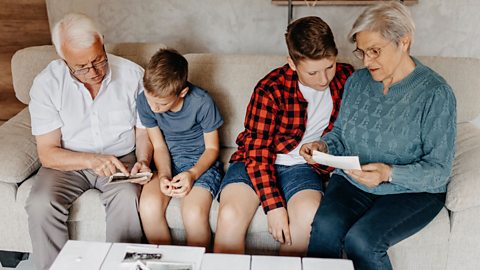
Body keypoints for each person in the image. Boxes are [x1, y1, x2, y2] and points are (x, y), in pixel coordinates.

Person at [301, 2, 456, 270]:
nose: (367, 61)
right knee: (325, 228)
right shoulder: (357, 82)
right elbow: (340, 134)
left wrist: (388, 173)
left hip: (411, 191)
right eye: (362, 52)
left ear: (404, 42)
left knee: (361, 241)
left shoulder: (435, 93)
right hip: (353, 182)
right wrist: (323, 145)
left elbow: (439, 171)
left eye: (375, 51)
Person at [214, 16, 354, 256]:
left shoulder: (346, 77)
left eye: (329, 67)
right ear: (292, 63)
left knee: (308, 214)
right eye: (312, 72)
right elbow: (257, 153)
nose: (324, 79)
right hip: (254, 164)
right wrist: (274, 207)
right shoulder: (270, 89)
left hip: (303, 168)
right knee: (230, 215)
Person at [26, 13, 153, 270]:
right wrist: (91, 160)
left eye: (98, 61)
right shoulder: (46, 85)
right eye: (81, 67)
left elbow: (143, 132)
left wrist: (142, 160)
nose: (93, 73)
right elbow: (48, 153)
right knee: (40, 204)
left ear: (103, 42)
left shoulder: (132, 75)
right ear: (63, 58)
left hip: (122, 159)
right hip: (67, 161)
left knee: (128, 197)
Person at [137, 49, 224, 249]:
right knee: (148, 207)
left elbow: (212, 149)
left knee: (193, 213)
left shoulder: (202, 102)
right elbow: (158, 146)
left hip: (201, 167)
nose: (153, 108)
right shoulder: (144, 101)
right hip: (167, 163)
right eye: (151, 100)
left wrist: (192, 174)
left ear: (182, 93)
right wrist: (165, 175)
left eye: (161, 103)